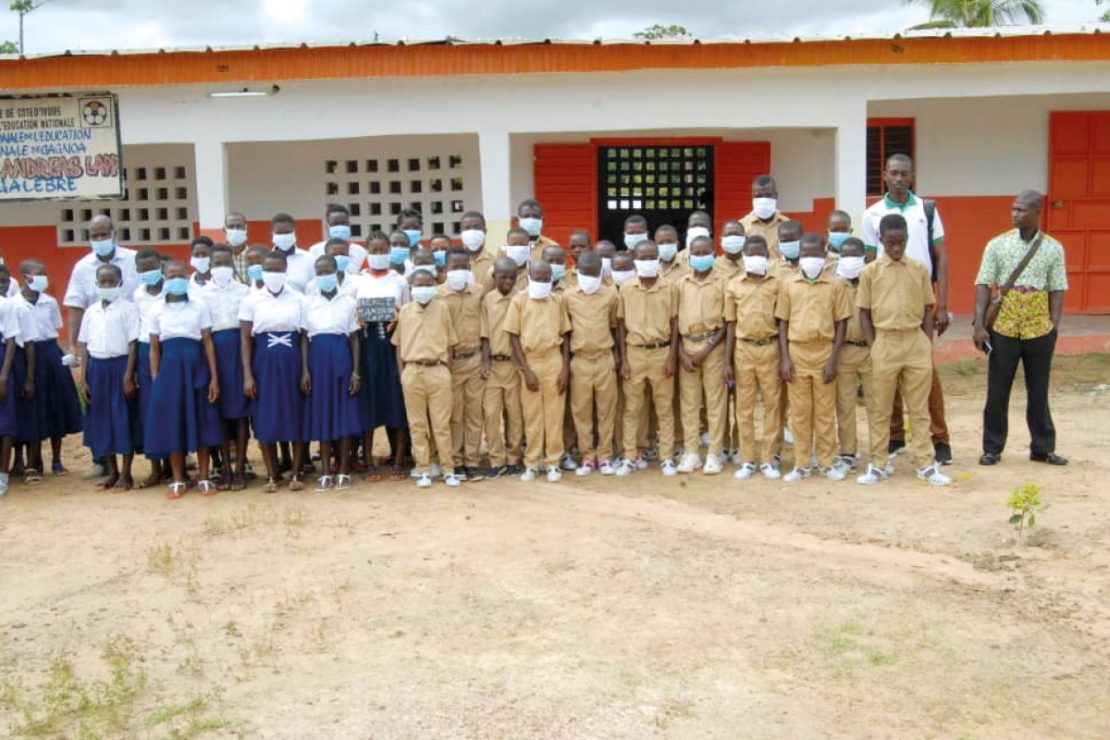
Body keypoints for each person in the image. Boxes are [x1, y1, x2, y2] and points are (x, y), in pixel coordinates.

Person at [861, 153, 952, 464]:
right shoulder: (872, 214)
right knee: (887, 380)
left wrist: (943, 304)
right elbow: (870, 259)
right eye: (893, 173)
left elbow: (941, 256)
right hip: (887, 303)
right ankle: (896, 436)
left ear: (912, 176)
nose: (899, 178)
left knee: (927, 375)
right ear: (885, 175)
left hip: (919, 300)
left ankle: (940, 440)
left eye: (904, 174)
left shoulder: (926, 209)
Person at [973, 190, 1068, 467]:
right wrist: (980, 324)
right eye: (1013, 209)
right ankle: (992, 448)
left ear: (1037, 211)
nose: (1014, 214)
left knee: (1039, 391)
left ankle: (1043, 448)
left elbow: (1058, 289)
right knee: (997, 392)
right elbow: (983, 284)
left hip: (1039, 329)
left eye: (1021, 210)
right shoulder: (997, 245)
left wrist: (1053, 327)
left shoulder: (1053, 248)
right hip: (1004, 327)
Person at [62, 215, 138, 478]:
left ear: (114, 233)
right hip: (97, 350)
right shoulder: (82, 267)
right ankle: (100, 460)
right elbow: (75, 306)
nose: (99, 240)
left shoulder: (132, 260)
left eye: (104, 234)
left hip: (129, 345)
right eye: (94, 236)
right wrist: (73, 344)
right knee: (98, 407)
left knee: (130, 406)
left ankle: (140, 458)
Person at [776, 233, 851, 483]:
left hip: (824, 353)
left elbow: (841, 323)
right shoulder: (788, 284)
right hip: (797, 353)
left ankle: (828, 463)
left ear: (824, 256)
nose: (811, 259)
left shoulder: (835, 285)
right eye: (806, 255)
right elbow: (783, 322)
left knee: (824, 412)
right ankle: (802, 463)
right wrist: (785, 358)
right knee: (799, 413)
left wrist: (833, 360)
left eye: (816, 255)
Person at [146, 261, 222, 499]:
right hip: (169, 368)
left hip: (196, 365)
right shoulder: (156, 308)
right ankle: (178, 478)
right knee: (173, 423)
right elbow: (154, 347)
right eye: (172, 275)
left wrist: (214, 377)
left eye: (181, 275)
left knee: (201, 421)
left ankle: (204, 476)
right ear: (164, 278)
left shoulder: (199, 305)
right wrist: (156, 378)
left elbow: (208, 341)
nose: (176, 279)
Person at [239, 251, 308, 492]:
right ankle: (271, 474)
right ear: (262, 271)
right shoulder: (252, 299)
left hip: (292, 362)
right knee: (266, 416)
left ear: (286, 271)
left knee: (296, 415)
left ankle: (296, 473)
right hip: (264, 363)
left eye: (279, 269)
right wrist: (247, 374)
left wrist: (305, 371)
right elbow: (246, 339)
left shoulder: (299, 298)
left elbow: (303, 338)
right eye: (269, 269)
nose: (274, 274)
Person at [614, 240, 678, 477]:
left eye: (652, 257)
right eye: (643, 258)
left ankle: (667, 458)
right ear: (635, 261)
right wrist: (624, 359)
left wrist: (672, 356)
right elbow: (620, 325)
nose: (648, 261)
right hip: (635, 352)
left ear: (658, 258)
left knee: (664, 408)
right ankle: (630, 456)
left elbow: (675, 324)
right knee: (632, 409)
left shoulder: (669, 287)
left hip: (661, 352)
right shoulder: (627, 289)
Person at [504, 260, 571, 482]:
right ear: (529, 278)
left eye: (546, 278)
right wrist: (526, 370)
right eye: (538, 278)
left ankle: (553, 462)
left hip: (553, 359)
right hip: (530, 361)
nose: (542, 282)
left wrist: (565, 369)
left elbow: (566, 335)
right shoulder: (519, 301)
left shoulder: (557, 301)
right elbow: (513, 336)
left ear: (552, 279)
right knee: (532, 416)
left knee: (554, 415)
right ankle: (532, 462)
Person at [17, 259, 83, 482]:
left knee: (56, 405)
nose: (43, 279)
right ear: (25, 277)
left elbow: (55, 331)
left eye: (45, 274)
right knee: (33, 408)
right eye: (38, 274)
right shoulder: (14, 304)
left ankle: (57, 459)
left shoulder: (50, 302)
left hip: (50, 354)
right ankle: (34, 461)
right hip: (26, 354)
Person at [724, 235, 784, 481]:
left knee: (772, 406)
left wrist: (784, 356)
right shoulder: (734, 285)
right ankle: (747, 459)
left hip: (770, 348)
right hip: (743, 349)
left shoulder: (777, 285)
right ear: (744, 256)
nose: (755, 257)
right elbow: (730, 324)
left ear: (767, 256)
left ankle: (769, 459)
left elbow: (782, 322)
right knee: (744, 407)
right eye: (751, 253)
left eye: (760, 253)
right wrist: (727, 361)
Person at [393, 269, 459, 489]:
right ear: (411, 288)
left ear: (434, 286)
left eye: (427, 284)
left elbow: (450, 343)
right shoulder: (405, 311)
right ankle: (424, 469)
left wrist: (446, 369)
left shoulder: (442, 309)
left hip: (438, 371)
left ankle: (448, 468)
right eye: (418, 285)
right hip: (412, 371)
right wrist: (403, 372)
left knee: (441, 424)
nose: (422, 289)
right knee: (417, 425)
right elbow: (399, 344)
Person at [76, 263, 140, 491]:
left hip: (120, 366)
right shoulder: (91, 311)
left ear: (120, 283)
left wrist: (129, 375)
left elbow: (133, 344)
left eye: (111, 282)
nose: (107, 285)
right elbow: (85, 347)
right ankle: (112, 471)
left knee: (122, 419)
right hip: (97, 368)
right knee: (103, 419)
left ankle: (126, 473)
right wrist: (83, 379)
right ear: (96, 284)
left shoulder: (128, 309)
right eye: (102, 282)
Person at [302, 255, 361, 491]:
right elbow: (304, 339)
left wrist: (356, 372)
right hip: (317, 359)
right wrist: (305, 370)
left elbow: (355, 338)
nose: (323, 275)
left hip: (342, 356)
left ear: (336, 272)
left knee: (344, 413)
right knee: (322, 414)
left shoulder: (348, 301)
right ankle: (326, 471)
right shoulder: (308, 302)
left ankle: (344, 468)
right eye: (319, 272)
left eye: (327, 271)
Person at [195, 244, 251, 491]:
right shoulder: (201, 294)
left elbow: (248, 330)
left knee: (239, 413)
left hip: (238, 350)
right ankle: (224, 469)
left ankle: (240, 468)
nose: (221, 268)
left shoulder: (244, 291)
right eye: (216, 263)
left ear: (233, 264)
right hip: (212, 352)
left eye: (226, 263)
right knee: (218, 413)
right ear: (210, 265)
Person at [356, 232, 410, 481]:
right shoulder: (358, 281)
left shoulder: (399, 281)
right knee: (368, 405)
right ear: (366, 251)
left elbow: (408, 313)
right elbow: (351, 315)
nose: (378, 255)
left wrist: (398, 317)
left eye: (382, 250)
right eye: (374, 250)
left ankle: (398, 459)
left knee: (395, 403)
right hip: (367, 348)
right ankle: (368, 462)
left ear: (389, 251)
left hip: (392, 347)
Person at [564, 251, 620, 477]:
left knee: (607, 410)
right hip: (580, 360)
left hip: (604, 358)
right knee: (581, 410)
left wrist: (618, 356)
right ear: (577, 272)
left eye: (593, 273)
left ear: (601, 273)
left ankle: (605, 456)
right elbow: (565, 333)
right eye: (584, 273)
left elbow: (615, 327)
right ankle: (587, 456)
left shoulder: (610, 296)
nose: (589, 277)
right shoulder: (568, 297)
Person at [673, 235, 726, 475]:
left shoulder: (723, 282)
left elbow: (727, 322)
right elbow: (674, 320)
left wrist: (707, 349)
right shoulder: (681, 284)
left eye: (706, 252)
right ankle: (692, 452)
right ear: (689, 255)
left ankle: (714, 453)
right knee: (689, 403)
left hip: (713, 347)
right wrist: (682, 353)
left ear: (714, 254)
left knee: (715, 402)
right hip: (687, 347)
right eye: (697, 252)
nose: (701, 257)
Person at [439, 247, 485, 481]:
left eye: (463, 267)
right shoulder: (437, 295)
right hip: (452, 362)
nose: (459, 271)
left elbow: (486, 328)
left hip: (475, 359)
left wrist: (485, 359)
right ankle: (456, 460)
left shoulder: (479, 292)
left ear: (469, 268)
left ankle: (473, 460)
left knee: (475, 413)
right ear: (445, 269)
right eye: (454, 267)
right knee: (455, 414)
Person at [480, 258, 525, 478]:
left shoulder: (522, 298)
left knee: (515, 415)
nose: (507, 281)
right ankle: (496, 460)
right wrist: (486, 361)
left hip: (515, 366)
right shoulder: (487, 300)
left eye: (512, 277)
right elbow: (485, 334)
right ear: (494, 277)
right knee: (491, 414)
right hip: (494, 367)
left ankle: (514, 458)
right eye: (503, 276)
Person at [832, 238, 872, 473]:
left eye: (854, 255)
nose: (849, 260)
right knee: (844, 405)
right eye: (844, 255)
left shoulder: (873, 281)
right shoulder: (835, 284)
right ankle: (848, 453)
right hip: (843, 350)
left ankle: (879, 454)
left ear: (864, 257)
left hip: (869, 350)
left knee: (877, 405)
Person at [131, 248, 170, 488]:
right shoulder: (137, 295)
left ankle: (176, 463)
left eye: (153, 267)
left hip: (171, 349)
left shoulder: (174, 288)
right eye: (143, 269)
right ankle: (156, 466)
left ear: (161, 267)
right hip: (146, 351)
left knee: (173, 407)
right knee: (151, 409)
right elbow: (137, 329)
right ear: (137, 271)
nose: (149, 272)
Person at [0, 290, 29, 496]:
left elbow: (11, 341)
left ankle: (2, 477)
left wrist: (3, 376)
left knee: (5, 422)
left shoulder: (5, 304)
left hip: (1, 363)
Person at [309, 204, 368, 276]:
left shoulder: (360, 251)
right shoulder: (315, 250)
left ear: (349, 224)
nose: (340, 226)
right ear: (327, 226)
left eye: (343, 223)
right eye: (335, 224)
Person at [740, 175, 790, 260]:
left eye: (768, 195)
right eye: (758, 196)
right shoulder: (742, 226)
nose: (763, 200)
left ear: (776, 196)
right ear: (752, 197)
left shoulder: (787, 225)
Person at [270, 213, 315, 293]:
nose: (283, 236)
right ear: (273, 234)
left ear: (294, 232)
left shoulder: (310, 259)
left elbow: (315, 289)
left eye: (287, 232)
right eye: (279, 233)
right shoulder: (265, 259)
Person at [459, 212, 496, 293]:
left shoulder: (495, 262)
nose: (472, 232)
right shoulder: (454, 262)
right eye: (467, 228)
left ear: (485, 231)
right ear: (461, 232)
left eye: (476, 227)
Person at [518, 199, 560, 264]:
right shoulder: (506, 249)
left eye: (535, 216)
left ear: (543, 221)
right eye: (526, 216)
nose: (531, 220)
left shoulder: (553, 247)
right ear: (518, 220)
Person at [222, 211, 251, 283]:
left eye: (239, 226)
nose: (235, 230)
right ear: (224, 230)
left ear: (246, 229)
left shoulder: (255, 257)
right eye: (231, 227)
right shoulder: (218, 258)